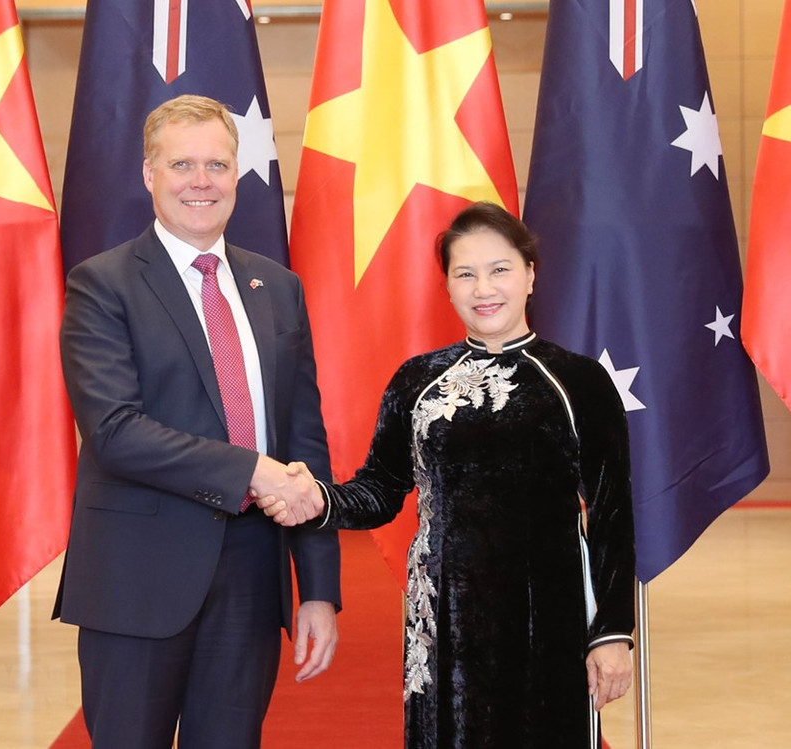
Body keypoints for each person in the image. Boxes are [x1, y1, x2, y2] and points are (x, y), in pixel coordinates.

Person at [257, 202, 635, 748]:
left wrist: (613, 634)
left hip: (549, 615)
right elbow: (381, 489)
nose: (484, 288)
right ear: (449, 288)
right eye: (465, 274)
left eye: (500, 269)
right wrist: (316, 498)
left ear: (530, 275)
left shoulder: (579, 382)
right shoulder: (417, 381)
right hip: (441, 619)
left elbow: (611, 514)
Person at [53, 94, 341, 749]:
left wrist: (319, 587)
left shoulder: (279, 288)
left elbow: (305, 444)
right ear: (149, 173)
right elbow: (115, 431)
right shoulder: (102, 285)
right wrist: (254, 471)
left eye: (217, 164)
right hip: (137, 579)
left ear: (237, 172)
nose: (201, 181)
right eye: (181, 164)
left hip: (251, 580)